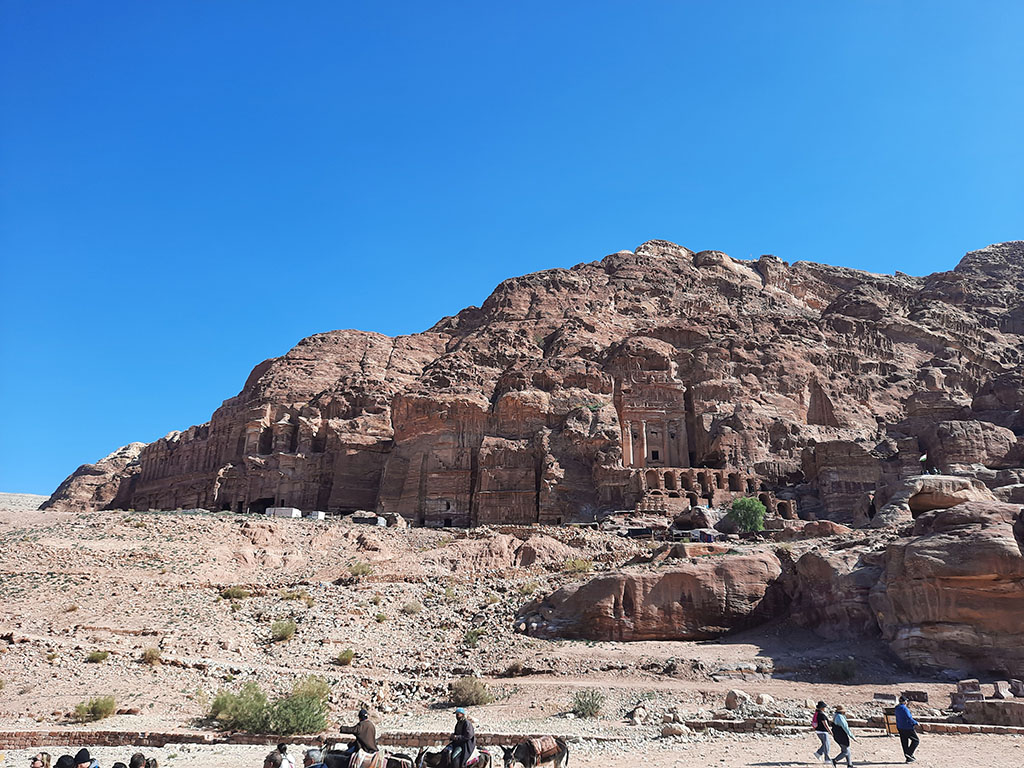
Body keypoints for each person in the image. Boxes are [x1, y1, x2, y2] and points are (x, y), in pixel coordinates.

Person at [895, 696, 920, 762]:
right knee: (916, 740)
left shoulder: (896, 708)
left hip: (900, 727)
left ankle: (908, 758)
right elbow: (909, 717)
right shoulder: (904, 708)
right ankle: (909, 753)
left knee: (904, 742)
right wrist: (915, 723)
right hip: (907, 727)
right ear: (904, 702)